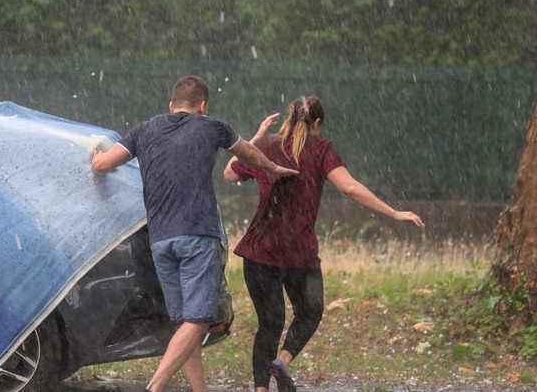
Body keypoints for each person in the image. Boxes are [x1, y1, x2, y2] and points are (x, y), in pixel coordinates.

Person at [91, 75, 298, 392]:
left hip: (160, 240)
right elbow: (248, 154)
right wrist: (273, 169)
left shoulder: (144, 129)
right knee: (198, 320)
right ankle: (155, 386)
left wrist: (94, 155)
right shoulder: (213, 126)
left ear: (172, 106)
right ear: (203, 106)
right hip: (198, 237)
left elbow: (104, 164)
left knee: (186, 324)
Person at [223, 96, 425, 392]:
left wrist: (256, 137)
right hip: (298, 254)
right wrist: (393, 212)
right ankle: (282, 362)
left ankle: (261, 388)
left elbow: (229, 172)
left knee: (270, 323)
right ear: (316, 123)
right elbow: (349, 187)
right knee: (311, 311)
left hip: (259, 251)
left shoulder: (267, 146)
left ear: (289, 118)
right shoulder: (320, 149)